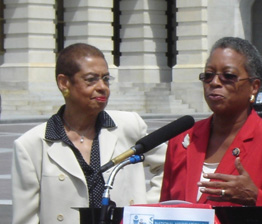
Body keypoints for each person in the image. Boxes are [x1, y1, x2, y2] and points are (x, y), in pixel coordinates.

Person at [11, 43, 166, 224]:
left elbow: (170, 164)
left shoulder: (128, 125)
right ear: (64, 83)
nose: (102, 87)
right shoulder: (32, 145)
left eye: (106, 79)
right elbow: (25, 219)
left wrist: (144, 209)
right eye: (91, 79)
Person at [159, 37, 262, 220]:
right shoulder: (181, 140)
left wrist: (255, 198)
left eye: (228, 76)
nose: (214, 83)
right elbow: (163, 210)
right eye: (208, 75)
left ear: (254, 87)